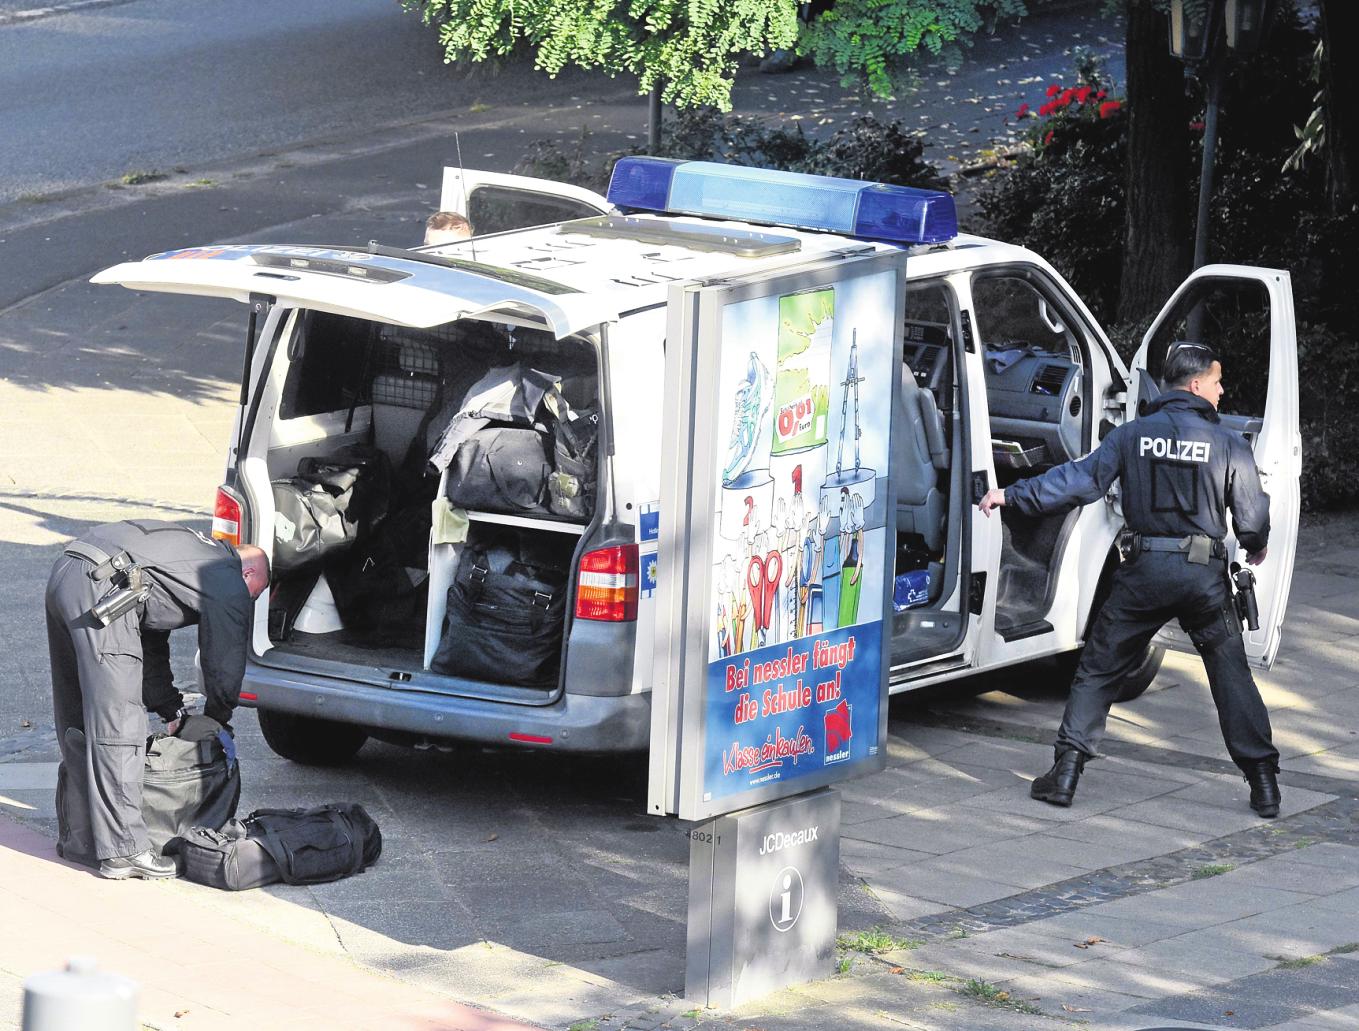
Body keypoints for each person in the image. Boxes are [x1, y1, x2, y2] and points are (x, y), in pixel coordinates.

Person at [978, 342, 1280, 817]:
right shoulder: (1227, 443)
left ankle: (1066, 774)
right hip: (1203, 578)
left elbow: (1079, 482)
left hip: (1143, 573)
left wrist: (1011, 495)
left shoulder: (1133, 435)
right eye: (1218, 382)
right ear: (1196, 384)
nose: (1222, 392)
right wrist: (1257, 544)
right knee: (1230, 676)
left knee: (1099, 667)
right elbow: (1252, 520)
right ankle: (1264, 783)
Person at [47, 520, 269, 879]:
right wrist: (216, 717)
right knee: (119, 723)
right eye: (253, 593)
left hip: (70, 570)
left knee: (77, 717)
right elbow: (223, 661)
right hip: (107, 585)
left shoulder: (188, 556)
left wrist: (171, 708)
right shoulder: (226, 574)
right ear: (249, 572)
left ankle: (82, 841)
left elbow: (148, 639)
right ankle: (124, 851)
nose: (249, 600)